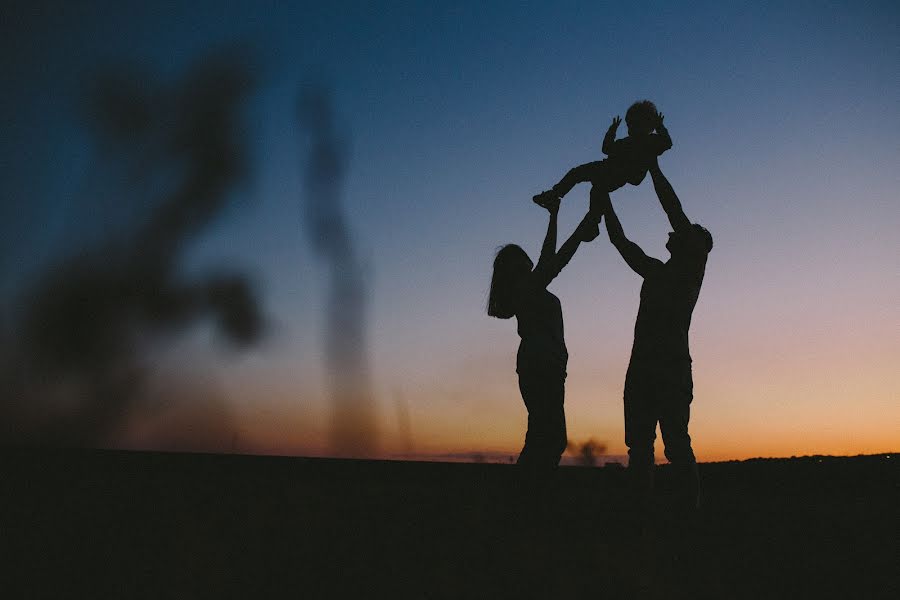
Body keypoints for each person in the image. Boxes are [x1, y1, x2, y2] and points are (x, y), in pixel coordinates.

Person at [593, 161, 712, 513]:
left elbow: (672, 208)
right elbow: (620, 242)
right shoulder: (656, 272)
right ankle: (639, 515)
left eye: (687, 231)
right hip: (642, 370)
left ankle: (688, 515)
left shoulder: (691, 270)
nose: (677, 230)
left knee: (675, 446)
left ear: (696, 246)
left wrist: (654, 165)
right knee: (640, 449)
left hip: (671, 369)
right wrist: (603, 200)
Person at [488, 198, 597, 468]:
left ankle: (528, 497)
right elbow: (557, 260)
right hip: (541, 364)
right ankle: (529, 497)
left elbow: (548, 257)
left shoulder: (530, 287)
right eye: (520, 263)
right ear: (514, 271)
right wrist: (583, 228)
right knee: (549, 437)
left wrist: (554, 213)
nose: (529, 263)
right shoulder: (526, 289)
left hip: (545, 365)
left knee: (542, 435)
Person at [533, 101, 673, 239]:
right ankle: (559, 197)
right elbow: (606, 148)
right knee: (585, 180)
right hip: (607, 168)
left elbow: (667, 143)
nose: (630, 128)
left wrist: (660, 126)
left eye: (634, 124)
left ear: (647, 124)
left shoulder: (651, 141)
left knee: (596, 188)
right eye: (629, 125)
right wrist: (612, 131)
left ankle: (592, 221)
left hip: (621, 173)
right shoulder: (624, 142)